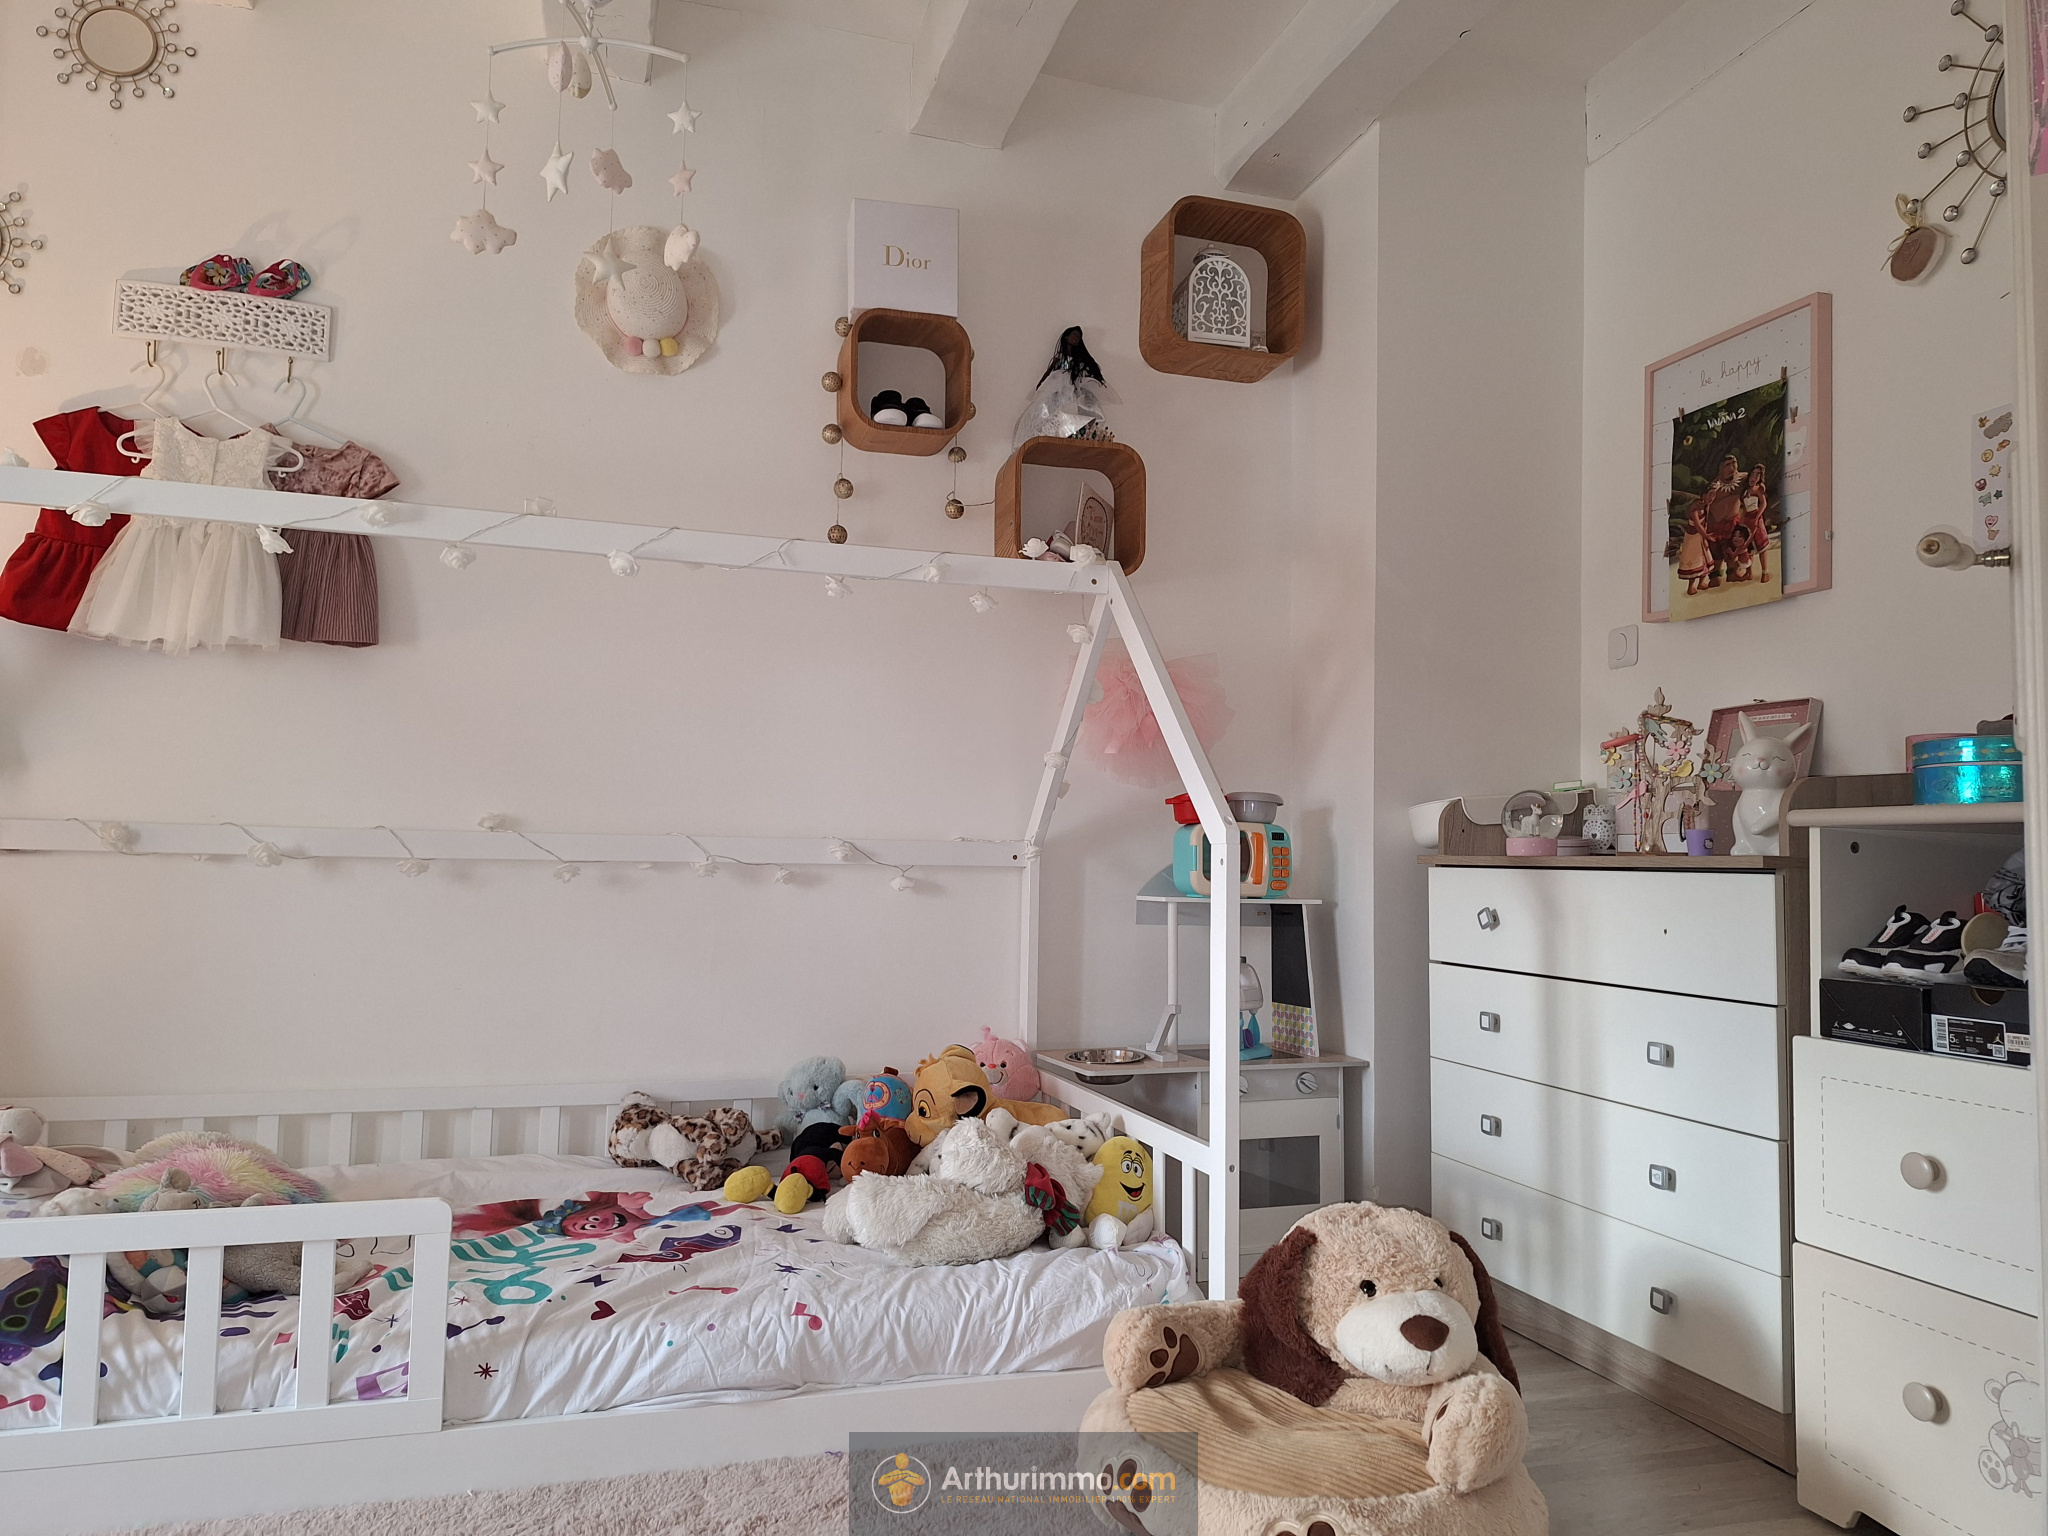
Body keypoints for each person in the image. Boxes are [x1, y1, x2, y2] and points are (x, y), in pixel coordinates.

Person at [1740, 463, 1771, 583]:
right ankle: (1749, 572)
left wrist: (1757, 517)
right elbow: (1743, 508)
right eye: (1753, 474)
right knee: (1749, 547)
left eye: (1758, 475)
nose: (1754, 477)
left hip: (1757, 518)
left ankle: (1765, 573)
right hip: (1747, 519)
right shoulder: (1745, 491)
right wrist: (1742, 521)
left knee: (1762, 546)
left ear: (1760, 477)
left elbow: (1763, 503)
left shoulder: (1759, 489)